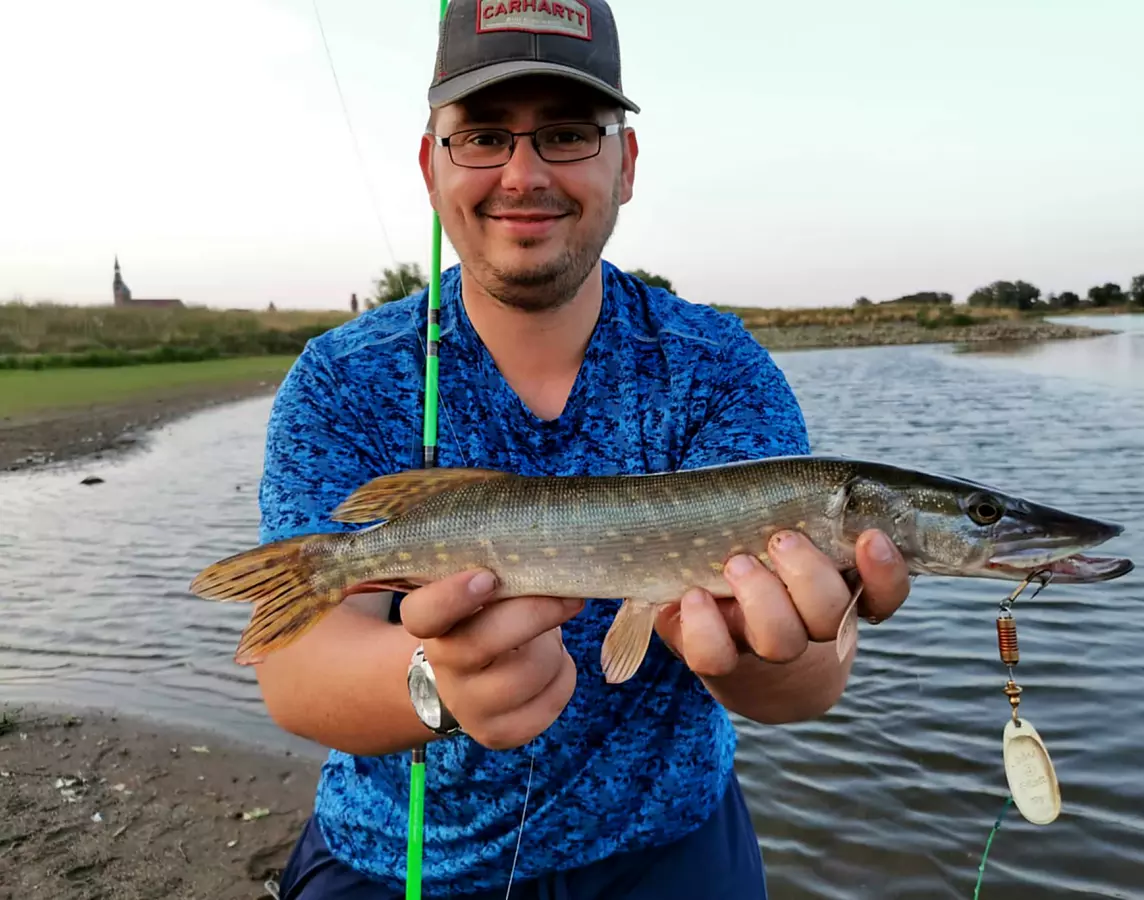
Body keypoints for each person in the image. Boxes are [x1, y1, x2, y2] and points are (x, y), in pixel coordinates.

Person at [255, 1, 911, 897]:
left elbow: (805, 690)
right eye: (482, 136)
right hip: (401, 858)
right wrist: (434, 685)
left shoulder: (716, 366)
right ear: (429, 163)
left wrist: (774, 657)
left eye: (566, 133)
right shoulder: (342, 379)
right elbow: (296, 676)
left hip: (670, 844)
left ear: (625, 161)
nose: (522, 174)